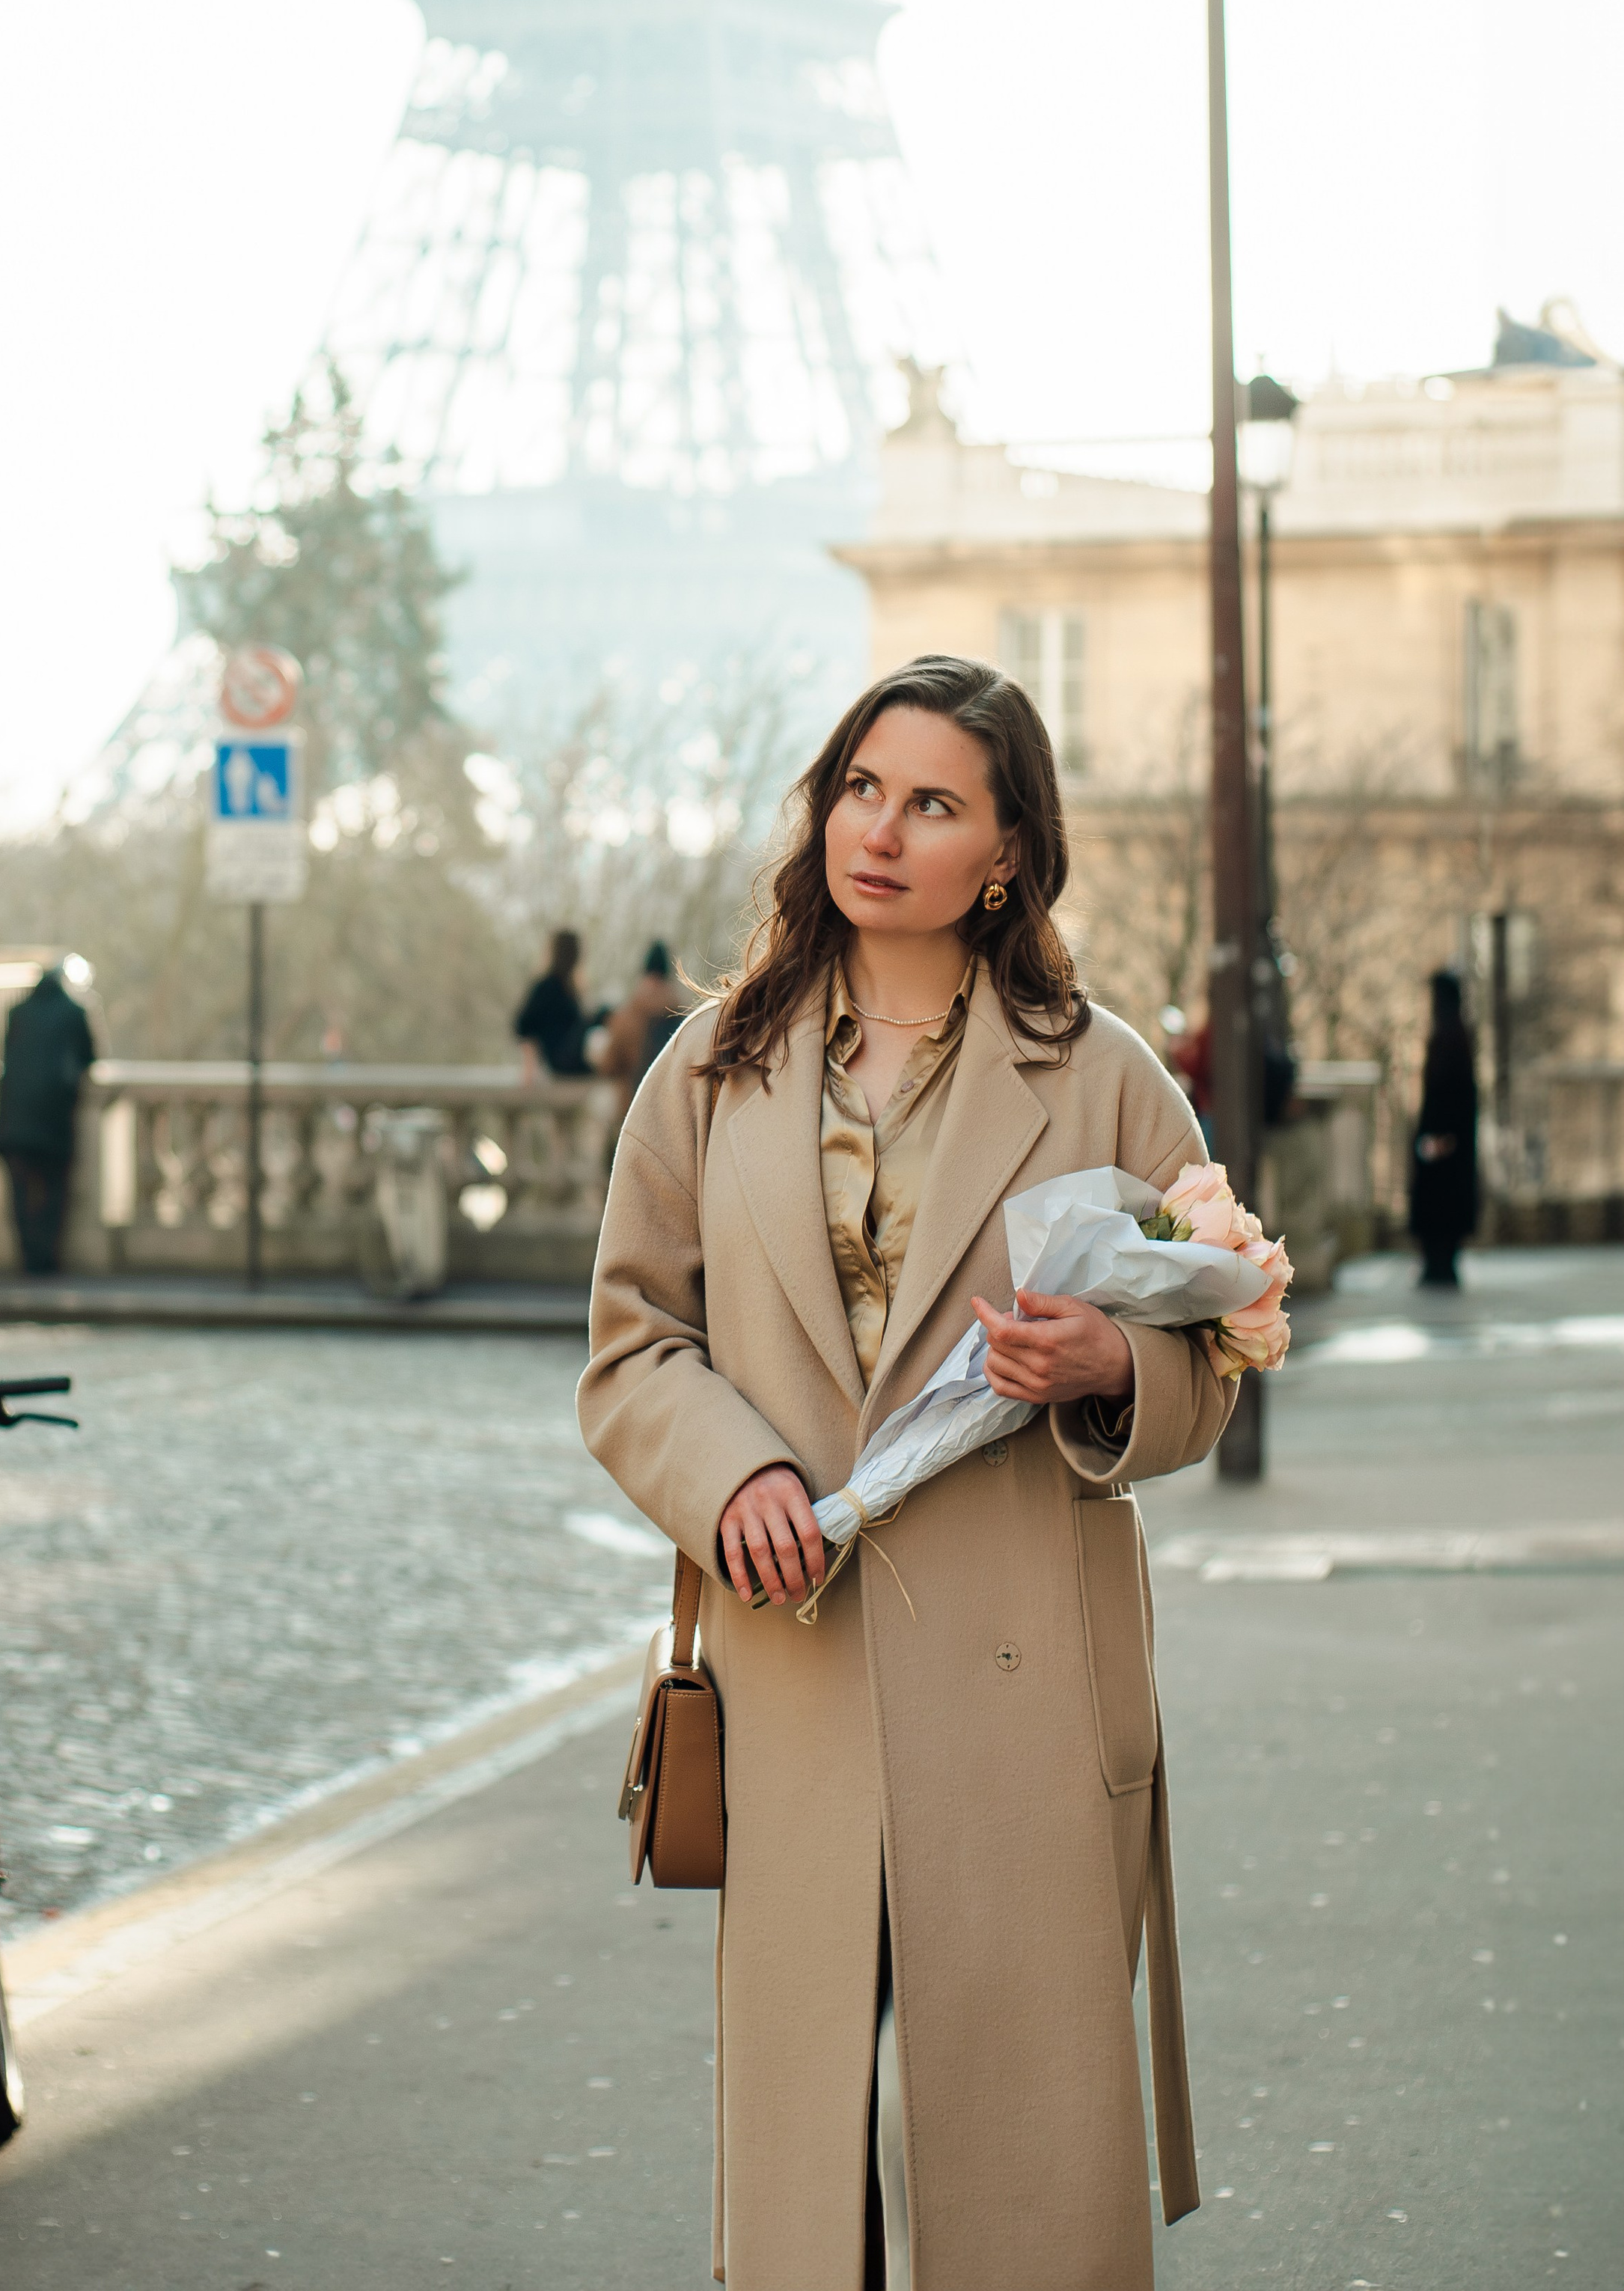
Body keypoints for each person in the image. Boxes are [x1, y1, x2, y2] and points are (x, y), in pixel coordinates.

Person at [581, 653, 1235, 2291]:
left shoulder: (1097, 1071)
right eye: (858, 788)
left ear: (1004, 851)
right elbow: (631, 1341)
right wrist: (724, 1471)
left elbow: (1213, 1344)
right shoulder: (713, 1064)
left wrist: (1107, 1371)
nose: (876, 830)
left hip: (1021, 1675)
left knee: (1016, 2149)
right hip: (795, 1652)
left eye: (931, 801)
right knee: (817, 2158)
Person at [0, 962, 97, 1276]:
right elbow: (90, 1056)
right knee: (54, 1193)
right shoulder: (74, 1013)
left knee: (21, 1194)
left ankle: (28, 1259)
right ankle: (47, 1261)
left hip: (15, 1121)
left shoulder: (17, 1012)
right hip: (53, 1119)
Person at [1409, 967, 1478, 1287]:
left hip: (1445, 1140)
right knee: (1441, 1203)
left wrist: (1441, 1137)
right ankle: (1439, 1263)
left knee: (1440, 1202)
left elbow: (1452, 1093)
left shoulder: (1450, 1037)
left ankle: (1440, 1264)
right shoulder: (1453, 1035)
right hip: (1446, 1138)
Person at [596, 940, 686, 1127]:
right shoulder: (685, 1015)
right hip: (677, 1117)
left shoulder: (628, 1017)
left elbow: (609, 1065)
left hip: (635, 1116)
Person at [513, 930, 592, 1081]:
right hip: (563, 1061)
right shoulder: (548, 986)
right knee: (604, 1014)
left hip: (573, 1057)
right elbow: (524, 1025)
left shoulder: (569, 988)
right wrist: (529, 1069)